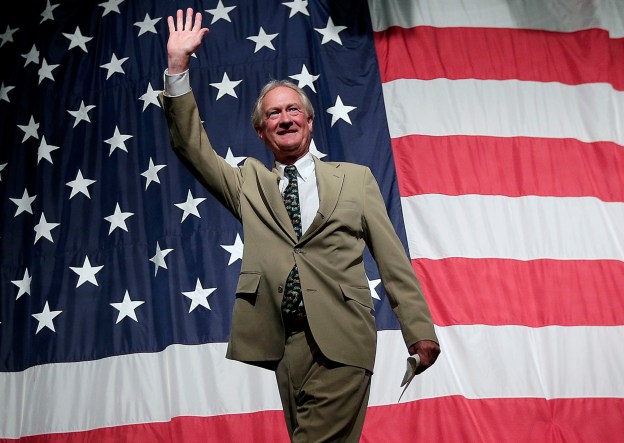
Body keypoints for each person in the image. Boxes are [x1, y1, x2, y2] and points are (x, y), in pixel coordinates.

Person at [161, 8, 440, 442]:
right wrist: (178, 67)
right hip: (284, 345)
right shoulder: (249, 183)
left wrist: (418, 329)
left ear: (310, 122)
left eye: (294, 110)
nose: (285, 118)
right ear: (260, 131)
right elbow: (192, 148)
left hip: (345, 335)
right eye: (273, 114)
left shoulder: (355, 179)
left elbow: (392, 260)